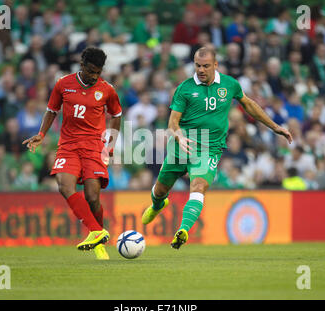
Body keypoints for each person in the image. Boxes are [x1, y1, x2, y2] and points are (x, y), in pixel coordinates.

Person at [141, 46, 293, 249]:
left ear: (215, 65)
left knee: (198, 186)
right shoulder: (184, 88)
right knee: (160, 190)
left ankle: (183, 230)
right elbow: (172, 124)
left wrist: (275, 127)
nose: (201, 70)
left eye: (205, 66)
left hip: (209, 149)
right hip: (182, 147)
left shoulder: (230, 85)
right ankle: (157, 204)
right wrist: (179, 137)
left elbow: (248, 104)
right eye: (197, 65)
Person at [22, 47, 122, 260]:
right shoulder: (63, 84)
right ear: (82, 65)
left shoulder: (107, 90)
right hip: (68, 145)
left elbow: (116, 115)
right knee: (64, 185)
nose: (95, 76)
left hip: (94, 146)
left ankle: (97, 238)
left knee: (93, 197)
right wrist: (41, 133)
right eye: (91, 71)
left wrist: (109, 146)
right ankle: (97, 234)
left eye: (99, 72)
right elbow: (51, 111)